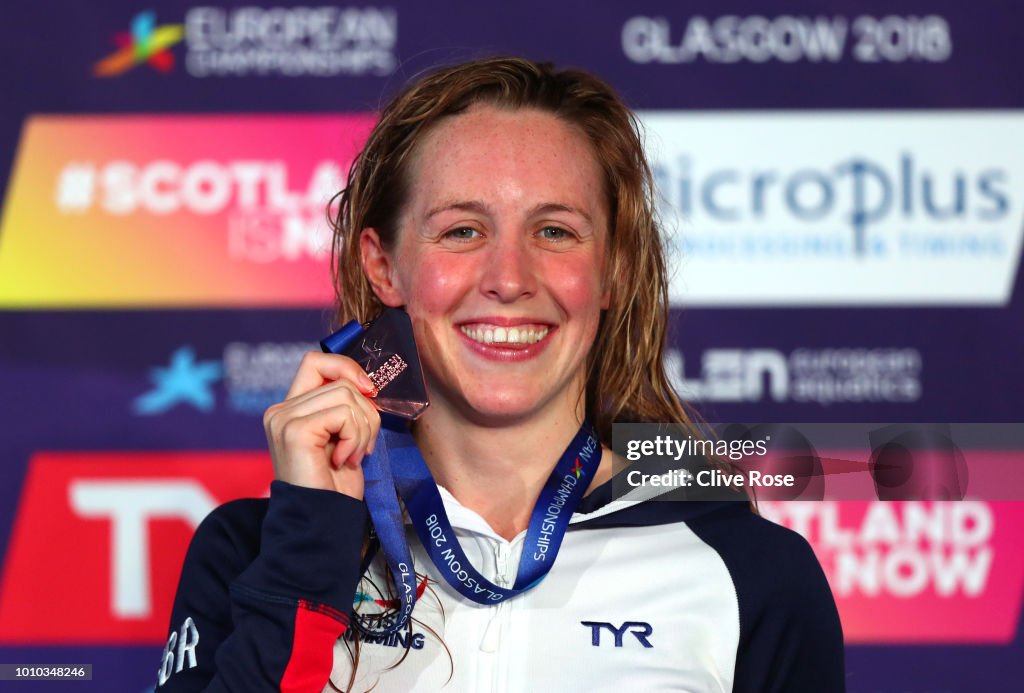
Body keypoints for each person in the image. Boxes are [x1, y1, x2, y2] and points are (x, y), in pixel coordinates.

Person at [156, 57, 845, 692]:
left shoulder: (750, 572)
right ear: (383, 265)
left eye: (555, 231)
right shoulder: (255, 551)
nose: (509, 279)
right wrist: (308, 545)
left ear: (615, 270)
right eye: (462, 231)